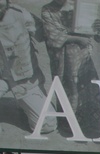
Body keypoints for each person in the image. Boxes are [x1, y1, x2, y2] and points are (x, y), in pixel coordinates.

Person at [0, 0, 57, 135]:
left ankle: (25, 104)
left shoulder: (21, 14)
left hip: (23, 80)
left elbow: (46, 35)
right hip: (1, 77)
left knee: (47, 124)